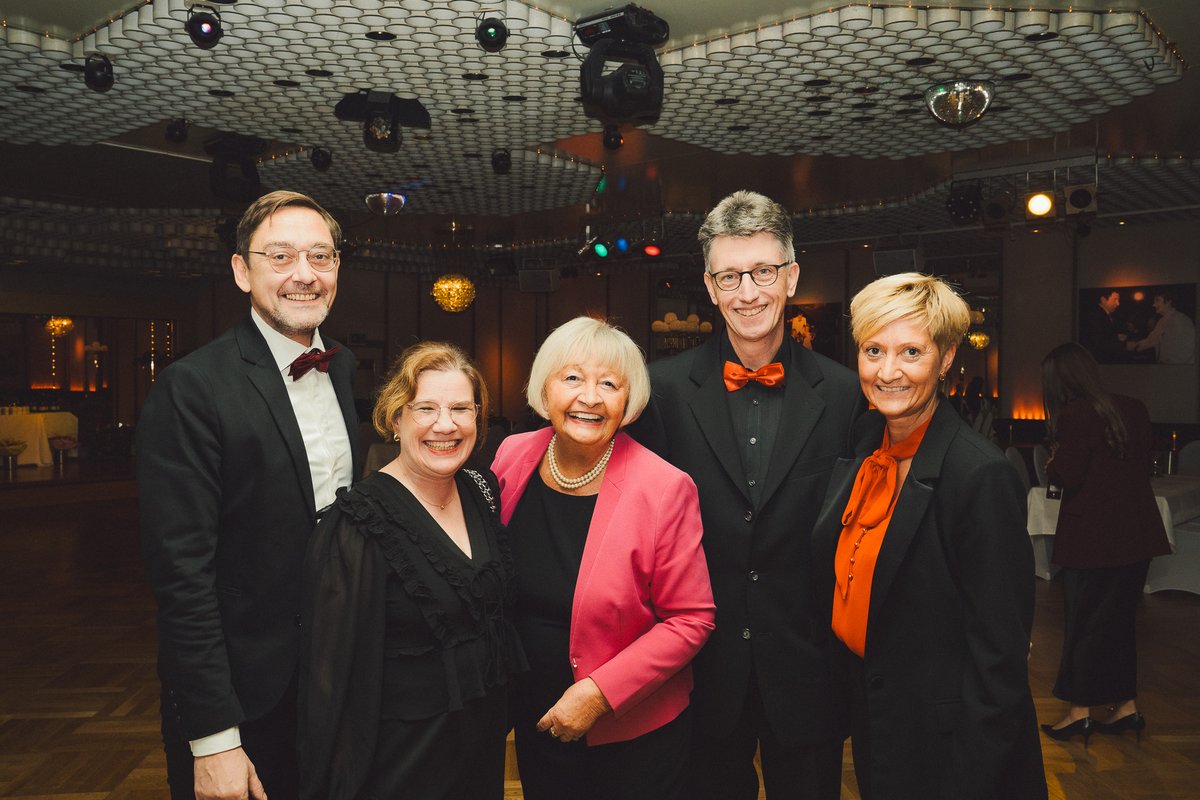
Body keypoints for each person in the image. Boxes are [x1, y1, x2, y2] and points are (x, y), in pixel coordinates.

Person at [629, 190, 864, 799]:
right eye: (730, 276)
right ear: (710, 288)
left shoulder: (847, 395)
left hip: (808, 669)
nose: (748, 292)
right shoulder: (660, 391)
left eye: (762, 271)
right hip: (700, 671)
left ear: (791, 277)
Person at [138, 190, 361, 799]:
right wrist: (214, 738)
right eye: (280, 256)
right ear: (242, 271)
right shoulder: (192, 387)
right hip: (243, 695)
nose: (304, 274)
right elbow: (182, 577)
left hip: (333, 683)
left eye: (320, 256)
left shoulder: (343, 368)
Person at [810, 272, 1046, 799]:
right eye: (873, 350)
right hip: (882, 726)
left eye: (911, 352)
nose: (887, 371)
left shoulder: (979, 475)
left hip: (954, 747)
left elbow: (1000, 659)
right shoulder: (866, 443)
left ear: (946, 359)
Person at [491, 316, 715, 800]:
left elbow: (691, 619)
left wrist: (597, 694)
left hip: (631, 734)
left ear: (628, 401)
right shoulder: (512, 456)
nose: (589, 397)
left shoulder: (665, 488)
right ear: (544, 388)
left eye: (609, 384)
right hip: (537, 718)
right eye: (572, 378)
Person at [298, 341, 523, 799]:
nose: (446, 424)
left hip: (478, 758)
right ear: (396, 419)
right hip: (400, 766)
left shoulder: (480, 490)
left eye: (461, 408)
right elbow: (329, 678)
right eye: (426, 408)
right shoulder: (358, 522)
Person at [1039, 342, 1171, 744]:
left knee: (1084, 626)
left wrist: (1053, 463)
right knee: (1119, 626)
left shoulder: (1075, 414)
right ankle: (1126, 707)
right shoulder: (1134, 407)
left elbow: (1070, 475)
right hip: (1137, 537)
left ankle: (1079, 713)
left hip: (1092, 540)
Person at [1127, 291, 1196, 364]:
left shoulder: (1181, 320)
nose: (1154, 305)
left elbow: (1186, 349)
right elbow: (1151, 340)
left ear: (1168, 302)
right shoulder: (1162, 321)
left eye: (1157, 300)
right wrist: (1135, 345)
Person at [1079, 289, 1126, 363]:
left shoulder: (1101, 314)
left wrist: (1116, 337)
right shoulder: (1096, 315)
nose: (1118, 303)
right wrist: (1125, 346)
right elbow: (1098, 343)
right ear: (1103, 300)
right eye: (1115, 300)